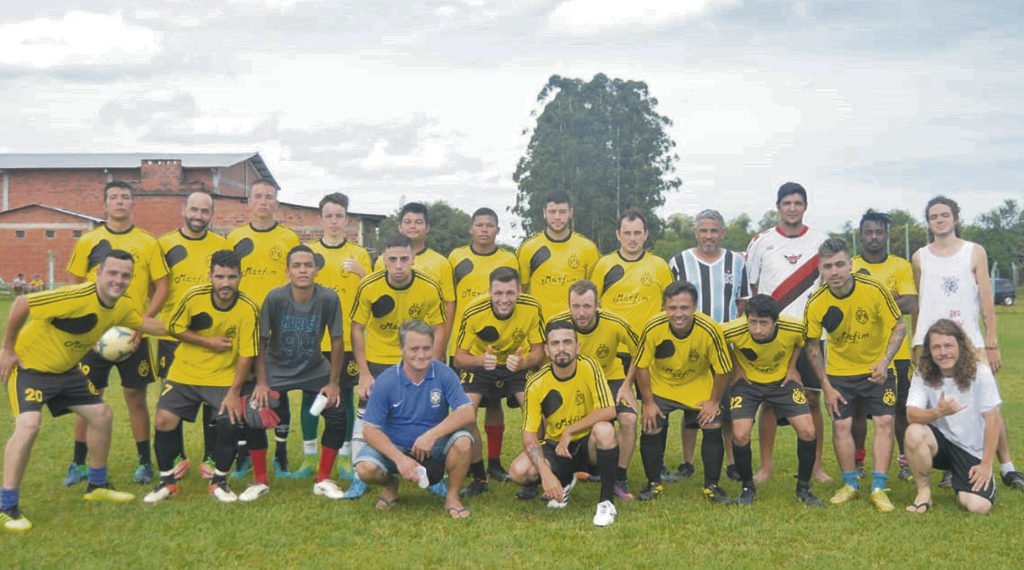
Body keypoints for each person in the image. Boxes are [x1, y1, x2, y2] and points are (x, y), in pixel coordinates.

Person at [1, 250, 166, 532]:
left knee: (101, 415)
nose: (119, 280)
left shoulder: (121, 307)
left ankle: (97, 484)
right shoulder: (75, 296)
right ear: (98, 274)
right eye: (112, 273)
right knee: (28, 425)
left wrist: (193, 332)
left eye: (125, 275)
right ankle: (6, 506)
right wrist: (7, 350)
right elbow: (21, 302)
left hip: (67, 372)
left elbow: (147, 324)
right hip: (31, 368)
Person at [911, 195, 1024, 490]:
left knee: (988, 406)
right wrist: (916, 344)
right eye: (933, 216)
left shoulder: (975, 252)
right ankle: (950, 466)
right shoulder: (920, 257)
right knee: (937, 404)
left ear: (955, 218)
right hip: (930, 344)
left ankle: (1008, 467)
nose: (939, 220)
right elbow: (920, 305)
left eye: (944, 215)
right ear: (928, 222)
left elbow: (986, 298)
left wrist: (991, 341)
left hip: (970, 343)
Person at [65, 181, 170, 486]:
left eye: (125, 197)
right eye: (114, 197)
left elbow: (161, 286)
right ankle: (77, 463)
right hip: (93, 335)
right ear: (105, 204)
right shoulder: (89, 241)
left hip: (134, 335)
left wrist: (144, 320)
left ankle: (144, 463)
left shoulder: (148, 242)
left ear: (132, 203)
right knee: (86, 397)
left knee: (136, 397)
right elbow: (74, 282)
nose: (120, 202)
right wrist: (84, 321)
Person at [143, 250, 259, 504]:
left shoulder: (248, 308)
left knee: (229, 422)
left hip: (222, 376)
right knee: (163, 419)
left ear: (241, 276)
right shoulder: (194, 296)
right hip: (184, 372)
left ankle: (219, 481)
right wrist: (207, 342)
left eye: (231, 277)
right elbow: (174, 328)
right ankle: (166, 483)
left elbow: (247, 355)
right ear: (210, 276)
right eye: (220, 276)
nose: (225, 283)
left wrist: (233, 393)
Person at [236, 245, 348, 502]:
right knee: (254, 411)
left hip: (314, 368)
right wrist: (262, 383)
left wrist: (333, 383)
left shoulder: (329, 298)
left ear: (316, 269)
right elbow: (261, 343)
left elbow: (338, 341)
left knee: (338, 413)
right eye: (297, 265)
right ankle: (260, 481)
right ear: (287, 271)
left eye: (308, 265)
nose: (303, 270)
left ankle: (323, 479)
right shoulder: (275, 298)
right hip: (277, 367)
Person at [804, 238, 905, 512]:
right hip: (840, 374)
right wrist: (825, 386)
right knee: (841, 427)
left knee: (884, 422)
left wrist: (884, 362)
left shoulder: (873, 289)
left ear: (850, 264)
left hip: (877, 370)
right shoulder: (816, 301)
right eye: (828, 267)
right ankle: (849, 484)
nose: (834, 271)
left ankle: (878, 487)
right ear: (821, 270)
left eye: (839, 264)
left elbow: (899, 326)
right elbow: (812, 345)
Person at [348, 234, 446, 498]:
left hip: (416, 359)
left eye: (404, 259)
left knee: (425, 412)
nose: (399, 265)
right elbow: (356, 328)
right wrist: (364, 372)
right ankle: (360, 476)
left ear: (413, 258)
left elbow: (439, 325)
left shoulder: (428, 286)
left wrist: (434, 364)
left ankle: (434, 475)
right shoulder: (369, 285)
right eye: (393, 259)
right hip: (379, 358)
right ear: (383, 260)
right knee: (366, 415)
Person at [745, 182, 829, 483]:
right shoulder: (761, 242)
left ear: (805, 206)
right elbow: (752, 290)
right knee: (768, 400)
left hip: (810, 337)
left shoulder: (822, 242)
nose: (792, 208)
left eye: (797, 203)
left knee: (811, 400)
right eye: (786, 203)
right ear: (778, 206)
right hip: (772, 338)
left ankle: (816, 467)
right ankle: (765, 468)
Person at [354, 320, 475, 519]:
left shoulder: (444, 373)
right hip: (396, 446)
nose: (421, 355)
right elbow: (370, 429)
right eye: (414, 349)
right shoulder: (386, 380)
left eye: (426, 348)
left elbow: (467, 411)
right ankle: (391, 486)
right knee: (365, 469)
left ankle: (452, 498)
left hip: (433, 446)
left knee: (463, 442)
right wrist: (400, 459)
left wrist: (431, 435)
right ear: (401, 349)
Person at [508, 320, 621, 527]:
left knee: (605, 429)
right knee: (519, 471)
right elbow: (529, 435)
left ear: (577, 347)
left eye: (568, 342)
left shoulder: (590, 366)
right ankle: (563, 481)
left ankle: (606, 502)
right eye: (555, 343)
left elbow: (609, 410)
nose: (561, 349)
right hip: (557, 448)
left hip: (588, 444)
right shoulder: (535, 383)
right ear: (547, 350)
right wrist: (545, 474)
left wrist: (571, 429)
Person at [630, 281, 733, 503]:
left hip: (697, 385)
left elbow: (723, 369)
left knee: (712, 422)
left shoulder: (710, 329)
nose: (678, 314)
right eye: (673, 308)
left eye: (684, 308)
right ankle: (653, 483)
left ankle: (711, 485)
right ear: (665, 307)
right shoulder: (652, 326)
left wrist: (714, 402)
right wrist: (648, 402)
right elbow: (641, 365)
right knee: (651, 425)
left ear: (694, 306)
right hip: (663, 385)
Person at [667, 208, 750, 482]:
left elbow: (742, 305)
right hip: (691, 344)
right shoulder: (679, 262)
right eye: (703, 230)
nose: (709, 236)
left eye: (714, 230)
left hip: (724, 345)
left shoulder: (736, 262)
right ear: (696, 232)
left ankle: (730, 462)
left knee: (724, 407)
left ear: (722, 233)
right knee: (693, 406)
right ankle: (687, 461)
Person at [227, 178, 301, 478]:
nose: (263, 202)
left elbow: (298, 279)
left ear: (276, 203)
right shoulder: (234, 237)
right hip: (243, 324)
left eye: (269, 197)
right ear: (249, 202)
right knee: (245, 391)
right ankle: (244, 452)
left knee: (277, 391)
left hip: (279, 326)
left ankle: (281, 453)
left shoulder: (289, 238)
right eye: (257, 196)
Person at [453, 267, 545, 497]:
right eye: (499, 293)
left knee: (536, 410)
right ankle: (479, 477)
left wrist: (523, 363)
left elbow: (539, 353)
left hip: (516, 364)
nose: (504, 299)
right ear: (489, 291)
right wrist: (480, 360)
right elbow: (459, 359)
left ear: (519, 292)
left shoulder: (531, 307)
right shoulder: (474, 310)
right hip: (482, 364)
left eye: (510, 293)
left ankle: (536, 475)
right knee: (465, 414)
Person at [723, 294, 822, 506]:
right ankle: (747, 488)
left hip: (782, 383)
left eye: (763, 323)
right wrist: (737, 368)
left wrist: (793, 366)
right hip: (747, 385)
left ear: (775, 321)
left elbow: (801, 342)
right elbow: (718, 342)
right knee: (740, 435)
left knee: (808, 431)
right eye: (753, 322)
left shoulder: (794, 327)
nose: (757, 329)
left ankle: (803, 488)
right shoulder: (732, 329)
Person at [156, 191, 228, 480]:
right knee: (170, 398)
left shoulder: (222, 245)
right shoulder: (163, 244)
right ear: (183, 208)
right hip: (173, 336)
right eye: (194, 209)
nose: (198, 216)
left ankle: (211, 457)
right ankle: (176, 456)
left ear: (212, 213)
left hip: (214, 334)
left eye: (205, 211)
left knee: (214, 400)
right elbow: (156, 288)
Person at [548, 280, 639, 500]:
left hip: (611, 379)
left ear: (598, 304)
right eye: (576, 306)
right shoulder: (558, 325)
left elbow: (641, 351)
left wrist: (627, 385)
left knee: (628, 419)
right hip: (575, 382)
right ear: (568, 305)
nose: (581, 312)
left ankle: (619, 477)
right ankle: (555, 473)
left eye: (587, 306)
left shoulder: (615, 322)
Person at [447, 207, 519, 482]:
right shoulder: (456, 257)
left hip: (504, 345)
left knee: (494, 405)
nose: (485, 229)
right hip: (469, 346)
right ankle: (472, 466)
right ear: (471, 228)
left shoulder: (508, 258)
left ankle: (495, 463)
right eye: (480, 225)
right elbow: (450, 299)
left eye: (490, 225)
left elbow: (517, 296)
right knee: (466, 408)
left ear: (498, 230)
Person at [904, 319, 1002, 515]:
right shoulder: (922, 373)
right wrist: (938, 412)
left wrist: (986, 465)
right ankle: (924, 492)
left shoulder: (980, 372)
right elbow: (911, 414)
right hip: (940, 444)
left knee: (978, 507)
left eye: (948, 345)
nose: (943, 352)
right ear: (929, 351)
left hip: (971, 450)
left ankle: (961, 486)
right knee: (914, 432)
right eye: (936, 347)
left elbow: (993, 420)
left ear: (960, 346)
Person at [306, 192, 371, 479]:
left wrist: (360, 273)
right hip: (312, 338)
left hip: (345, 339)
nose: (334, 221)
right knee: (311, 396)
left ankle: (344, 455)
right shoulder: (308, 253)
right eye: (329, 215)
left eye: (339, 216)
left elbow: (373, 292)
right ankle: (309, 457)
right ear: (321, 218)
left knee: (344, 395)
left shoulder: (359, 254)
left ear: (347, 219)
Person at [851, 210, 917, 481]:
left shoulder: (900, 266)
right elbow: (847, 304)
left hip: (897, 353)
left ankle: (904, 462)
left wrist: (871, 304)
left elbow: (911, 304)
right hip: (859, 354)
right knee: (857, 410)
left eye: (879, 232)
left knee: (900, 409)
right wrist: (890, 299)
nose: (874, 237)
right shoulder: (851, 266)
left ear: (887, 235)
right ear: (861, 235)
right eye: (869, 232)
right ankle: (858, 462)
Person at [374, 203, 456, 350]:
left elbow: (449, 305)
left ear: (427, 227)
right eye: (408, 222)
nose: (413, 226)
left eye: (418, 222)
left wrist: (441, 346)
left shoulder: (441, 262)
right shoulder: (383, 261)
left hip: (425, 346)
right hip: (388, 345)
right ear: (400, 227)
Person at [516, 190, 599, 319]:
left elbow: (594, 292)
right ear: (544, 213)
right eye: (552, 212)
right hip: (540, 328)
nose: (557, 217)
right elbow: (520, 293)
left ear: (571, 213)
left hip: (575, 328)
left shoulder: (588, 248)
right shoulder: (528, 248)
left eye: (562, 212)